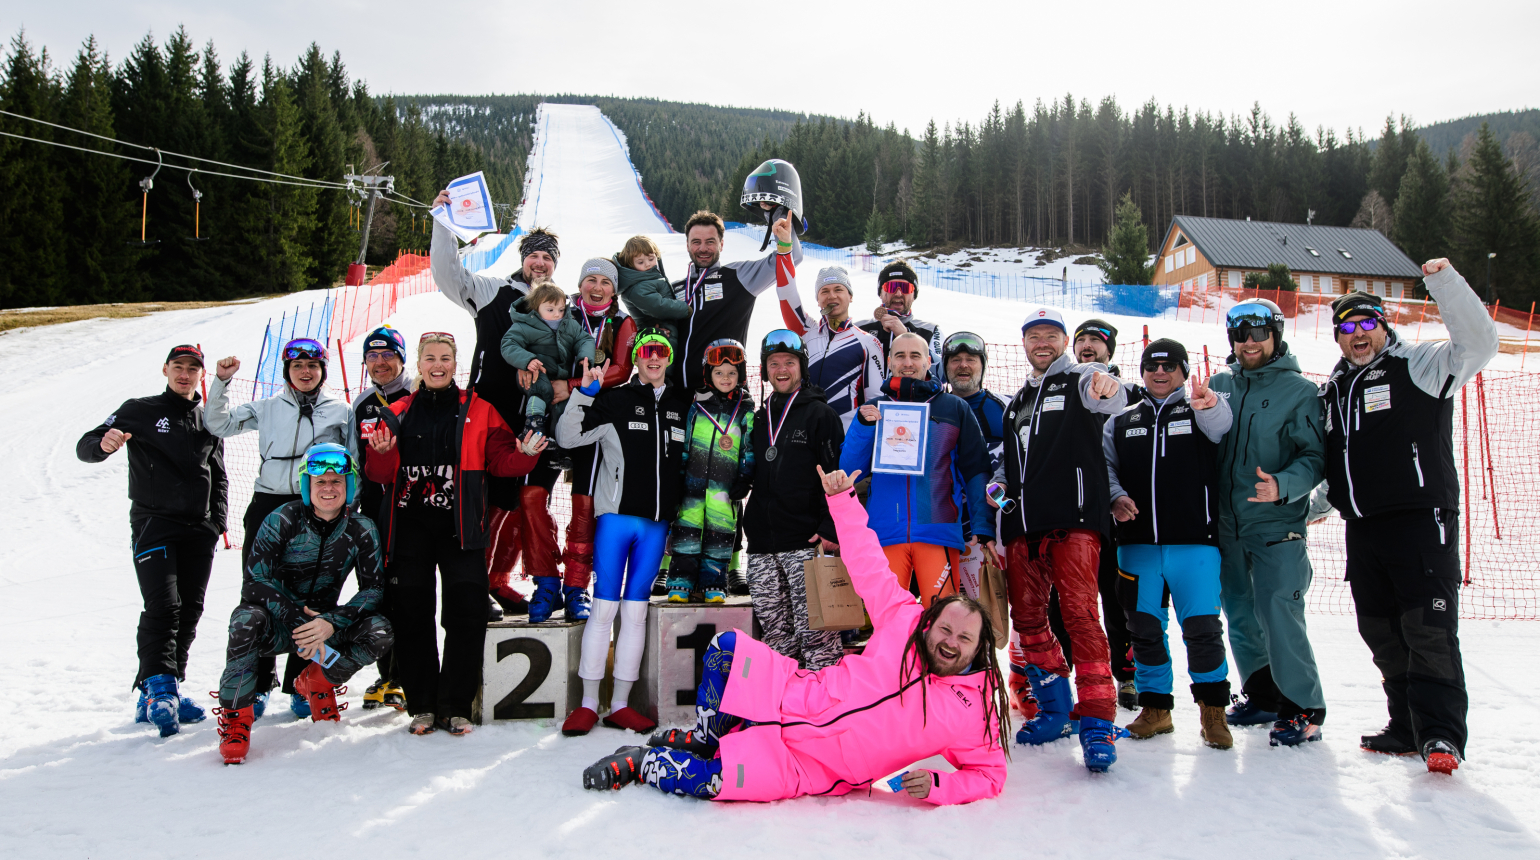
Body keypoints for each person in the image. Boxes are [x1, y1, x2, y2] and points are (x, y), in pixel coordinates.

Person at [580, 466, 1009, 806]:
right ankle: (708, 737)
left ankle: (643, 763)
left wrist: (938, 785)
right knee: (724, 649)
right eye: (947, 629)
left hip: (810, 767)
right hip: (791, 696)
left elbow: (990, 776)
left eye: (964, 639)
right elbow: (867, 565)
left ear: (980, 648)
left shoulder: (976, 708)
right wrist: (841, 501)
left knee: (714, 783)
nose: (951, 642)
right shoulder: (906, 621)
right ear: (931, 624)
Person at [1313, 260, 1497, 775]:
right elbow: (1340, 467)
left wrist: (1443, 283)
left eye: (1367, 322)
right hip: (1364, 530)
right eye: (1347, 328)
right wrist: (1309, 507)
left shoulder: (1418, 366)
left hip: (1420, 523)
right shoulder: (1336, 391)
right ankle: (1406, 726)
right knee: (1382, 634)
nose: (1358, 334)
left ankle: (1440, 734)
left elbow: (1479, 345)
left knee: (1428, 631)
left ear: (1384, 325)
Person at [362, 333, 547, 736]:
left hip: (460, 530)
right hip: (409, 530)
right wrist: (381, 453)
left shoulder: (479, 410)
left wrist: (526, 456)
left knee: (466, 614)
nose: (437, 365)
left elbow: (501, 462)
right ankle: (423, 705)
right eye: (430, 358)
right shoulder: (396, 411)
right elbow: (378, 476)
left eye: (445, 358)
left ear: (455, 362)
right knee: (412, 616)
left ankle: (456, 704)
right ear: (419, 364)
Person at [990, 306, 1128, 772]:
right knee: (1028, 622)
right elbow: (1008, 466)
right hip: (1023, 527)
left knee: (1080, 617)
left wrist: (1107, 383)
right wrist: (999, 489)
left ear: (1064, 341)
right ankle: (1053, 710)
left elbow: (1111, 395)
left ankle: (1096, 721)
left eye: (1052, 335)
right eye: (1035, 336)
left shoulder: (1081, 380)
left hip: (1073, 521)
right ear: (1024, 343)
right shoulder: (1016, 404)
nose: (1042, 343)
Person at [76, 345, 227, 737]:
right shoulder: (140, 409)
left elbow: (219, 474)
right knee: (164, 605)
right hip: (154, 524)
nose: (184, 374)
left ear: (201, 375)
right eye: (178, 367)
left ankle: (167, 688)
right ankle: (158, 685)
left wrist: (217, 524)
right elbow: (87, 445)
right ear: (165, 370)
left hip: (199, 530)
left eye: (192, 369)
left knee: (191, 610)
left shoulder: (208, 417)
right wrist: (102, 446)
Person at [212, 444, 394, 764]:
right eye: (319, 481)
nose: (328, 488)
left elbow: (374, 590)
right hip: (277, 624)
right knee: (244, 620)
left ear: (348, 486)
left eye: (336, 481)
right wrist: (300, 620)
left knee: (380, 630)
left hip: (325, 627)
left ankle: (317, 682)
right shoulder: (282, 518)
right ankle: (236, 719)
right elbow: (255, 581)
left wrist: (331, 622)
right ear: (307, 486)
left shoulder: (361, 528)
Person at [430, 192, 563, 630]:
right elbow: (448, 275)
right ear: (523, 260)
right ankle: (474, 583)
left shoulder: (561, 306)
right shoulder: (493, 291)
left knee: (524, 504)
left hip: (541, 420)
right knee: (487, 506)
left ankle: (499, 578)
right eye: (533, 256)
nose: (539, 263)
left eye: (547, 257)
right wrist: (444, 225)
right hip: (492, 415)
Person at [205, 337, 356, 717]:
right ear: (287, 371)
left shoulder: (340, 410)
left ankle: (300, 683)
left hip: (316, 506)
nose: (305, 372)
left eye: (313, 366)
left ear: (323, 371)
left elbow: (353, 459)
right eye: (297, 366)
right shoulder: (269, 407)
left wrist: (349, 506)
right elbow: (218, 423)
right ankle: (257, 682)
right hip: (270, 502)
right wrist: (222, 383)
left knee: (315, 591)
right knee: (260, 592)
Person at [555, 330, 690, 736]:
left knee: (636, 614)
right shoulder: (615, 400)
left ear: (668, 357)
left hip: (656, 526)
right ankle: (587, 704)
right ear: (635, 358)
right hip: (615, 521)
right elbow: (567, 437)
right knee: (604, 610)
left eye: (660, 352)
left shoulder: (681, 404)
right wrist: (585, 394)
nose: (652, 358)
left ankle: (620, 704)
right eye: (644, 351)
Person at [1208, 298, 1327, 747]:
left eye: (1258, 333)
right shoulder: (1220, 384)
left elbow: (1315, 457)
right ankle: (1263, 694)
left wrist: (1283, 484)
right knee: (1238, 610)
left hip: (1276, 523)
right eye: (1240, 335)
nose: (1249, 343)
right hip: (1227, 524)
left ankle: (1304, 707)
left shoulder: (1300, 391)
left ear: (1275, 335)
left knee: (1279, 610)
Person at [1105, 339, 1234, 749]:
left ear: (1183, 369)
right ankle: (1156, 709)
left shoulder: (1200, 408)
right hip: (1137, 544)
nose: (1160, 373)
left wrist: (1208, 403)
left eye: (1169, 366)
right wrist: (1114, 497)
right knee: (1143, 630)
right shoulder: (1122, 421)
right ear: (1142, 371)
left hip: (1194, 544)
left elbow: (1221, 425)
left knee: (1202, 630)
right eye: (1151, 366)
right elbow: (1106, 468)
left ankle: (1213, 714)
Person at [841, 332, 993, 610]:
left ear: (928, 361)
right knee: (888, 622)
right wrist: (864, 428)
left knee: (943, 617)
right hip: (886, 534)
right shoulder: (874, 409)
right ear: (889, 361)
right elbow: (849, 472)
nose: (907, 362)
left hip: (937, 532)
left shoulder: (954, 407)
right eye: (900, 355)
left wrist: (983, 525)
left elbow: (976, 470)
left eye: (915, 355)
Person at [741, 330, 846, 670]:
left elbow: (838, 474)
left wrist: (830, 527)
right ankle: (789, 712)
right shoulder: (758, 417)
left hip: (806, 542)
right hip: (762, 545)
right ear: (765, 369)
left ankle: (828, 717)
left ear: (802, 366)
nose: (782, 370)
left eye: (789, 362)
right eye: (774, 364)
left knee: (817, 635)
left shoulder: (820, 415)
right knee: (776, 638)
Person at [544, 259, 638, 624]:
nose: (596, 288)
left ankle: (577, 586)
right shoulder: (562, 312)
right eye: (590, 280)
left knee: (584, 504)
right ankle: (547, 582)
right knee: (533, 498)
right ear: (579, 283)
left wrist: (571, 386)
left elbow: (622, 368)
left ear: (614, 290)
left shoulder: (621, 322)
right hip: (554, 413)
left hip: (594, 417)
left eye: (605, 282)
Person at [1057, 317, 1138, 710]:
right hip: (1075, 512)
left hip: (1119, 516)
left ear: (1111, 350)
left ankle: (1127, 676)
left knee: (1119, 599)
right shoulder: (1065, 389)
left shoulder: (1130, 392)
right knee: (1070, 600)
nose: (1088, 345)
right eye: (1082, 339)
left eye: (1096, 341)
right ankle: (1073, 675)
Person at [351, 326, 413, 710]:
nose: (380, 362)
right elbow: (353, 459)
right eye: (372, 357)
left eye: (387, 355)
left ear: (401, 359)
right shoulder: (362, 403)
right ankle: (387, 675)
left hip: (410, 508)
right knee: (377, 594)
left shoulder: (416, 395)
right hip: (373, 511)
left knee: (408, 594)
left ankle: (407, 676)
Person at [672, 209, 802, 391]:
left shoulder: (737, 277)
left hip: (725, 403)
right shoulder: (676, 288)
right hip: (678, 401)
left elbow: (791, 257)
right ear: (687, 245)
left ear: (721, 244)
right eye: (696, 242)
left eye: (710, 242)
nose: (703, 248)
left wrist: (777, 212)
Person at [669, 339, 755, 603]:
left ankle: (714, 582)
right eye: (719, 372)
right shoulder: (697, 406)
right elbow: (684, 444)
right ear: (708, 374)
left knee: (721, 533)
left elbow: (749, 448)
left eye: (731, 373)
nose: (725, 378)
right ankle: (681, 582)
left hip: (725, 487)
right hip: (693, 484)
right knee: (687, 529)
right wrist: (679, 476)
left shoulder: (746, 408)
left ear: (740, 375)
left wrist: (745, 478)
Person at [774, 264, 885, 429]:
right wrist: (784, 245)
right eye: (824, 291)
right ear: (818, 300)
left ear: (850, 296)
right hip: (802, 436)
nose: (831, 296)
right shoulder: (805, 331)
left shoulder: (868, 342)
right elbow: (785, 292)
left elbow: (876, 401)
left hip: (843, 439)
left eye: (838, 289)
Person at [499, 279, 597, 439]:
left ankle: (558, 445)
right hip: (534, 373)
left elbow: (584, 339)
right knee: (541, 388)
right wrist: (527, 360)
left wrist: (584, 356)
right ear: (536, 308)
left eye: (560, 309)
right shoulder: (525, 326)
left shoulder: (568, 324)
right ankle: (533, 424)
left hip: (559, 375)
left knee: (563, 406)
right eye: (550, 309)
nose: (557, 314)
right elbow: (509, 344)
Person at [856, 260, 943, 375]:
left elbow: (942, 373)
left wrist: (907, 336)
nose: (898, 293)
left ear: (914, 295)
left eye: (905, 288)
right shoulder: (859, 329)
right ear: (880, 293)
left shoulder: (930, 330)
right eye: (891, 287)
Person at [614, 234, 687, 346]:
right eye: (640, 262)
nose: (648, 264)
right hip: (657, 336)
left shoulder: (650, 278)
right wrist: (686, 309)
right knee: (666, 362)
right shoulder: (637, 288)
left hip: (666, 331)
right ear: (630, 264)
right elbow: (659, 307)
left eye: (651, 259)